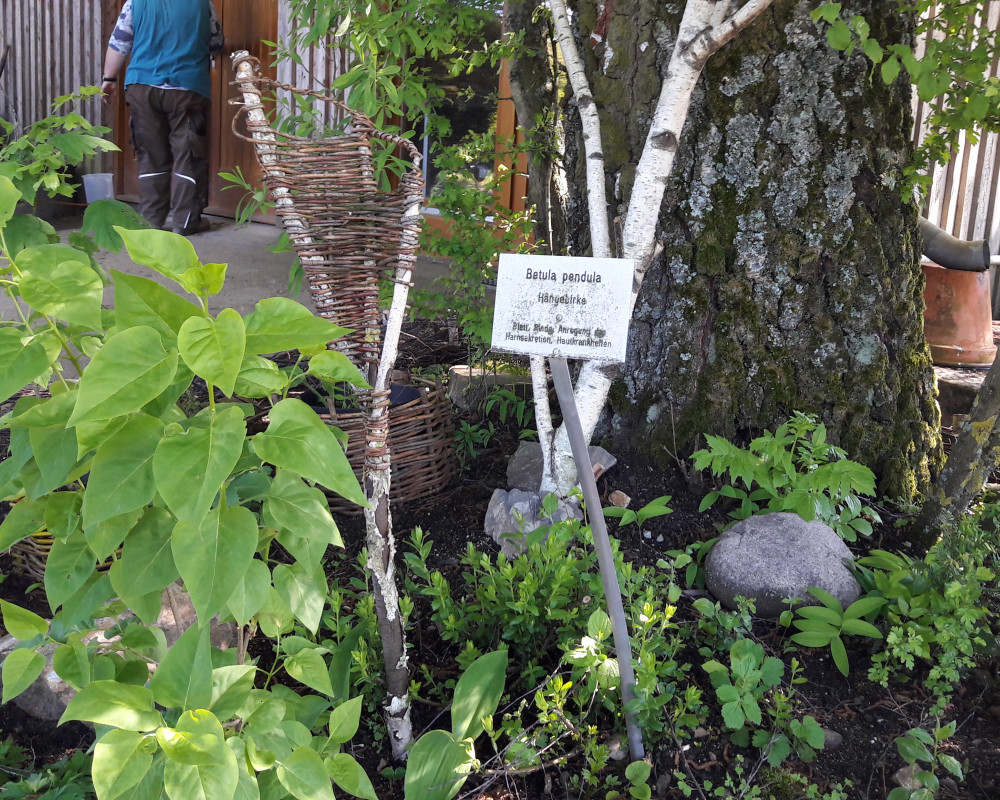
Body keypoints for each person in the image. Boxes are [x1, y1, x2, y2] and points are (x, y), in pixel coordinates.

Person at [100, 0, 224, 235]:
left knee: (150, 155)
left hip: (142, 87)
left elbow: (119, 43)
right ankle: (185, 223)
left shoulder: (134, 4)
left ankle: (151, 221)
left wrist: (110, 78)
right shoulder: (202, 4)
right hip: (187, 87)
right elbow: (216, 42)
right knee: (188, 154)